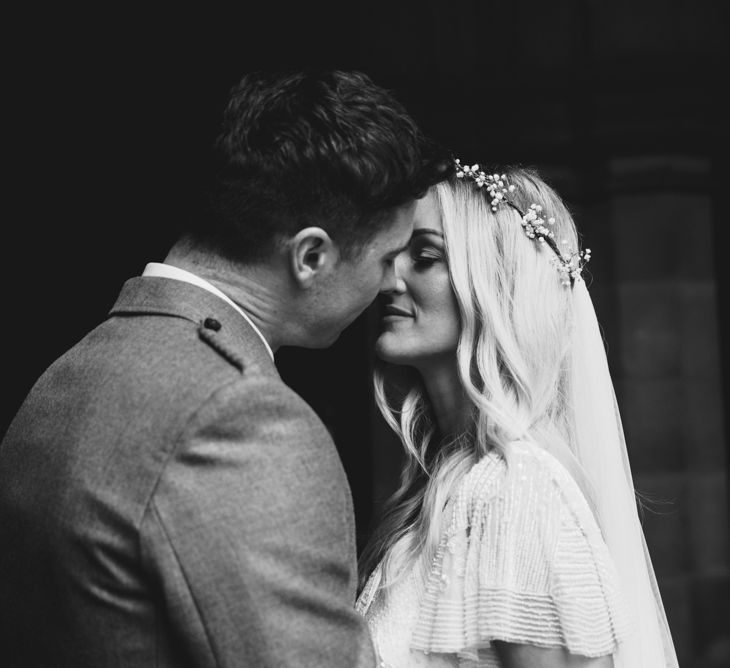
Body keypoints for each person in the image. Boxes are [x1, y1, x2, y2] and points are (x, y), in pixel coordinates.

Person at [0, 70, 449, 667]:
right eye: (389, 257)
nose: (393, 282)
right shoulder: (243, 421)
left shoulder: (68, 375)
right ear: (311, 256)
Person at [356, 162, 679, 667]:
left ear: (495, 282)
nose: (386, 281)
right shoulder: (445, 484)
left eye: (423, 256)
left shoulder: (516, 490)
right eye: (392, 253)